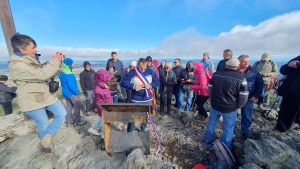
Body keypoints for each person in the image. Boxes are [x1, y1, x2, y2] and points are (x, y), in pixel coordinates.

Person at [8, 33, 67, 153]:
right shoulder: (17, 65)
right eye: (32, 48)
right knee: (43, 123)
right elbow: (42, 75)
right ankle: (46, 145)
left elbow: (50, 72)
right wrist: (53, 61)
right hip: (31, 99)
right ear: (21, 49)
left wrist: (58, 62)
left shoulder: (34, 59)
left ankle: (47, 138)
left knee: (62, 113)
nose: (36, 49)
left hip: (46, 95)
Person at [205, 58, 248, 149]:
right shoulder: (241, 78)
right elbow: (244, 95)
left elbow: (209, 88)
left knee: (211, 123)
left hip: (215, 105)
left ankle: (208, 141)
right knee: (228, 128)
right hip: (230, 108)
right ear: (237, 66)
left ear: (226, 65)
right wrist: (239, 106)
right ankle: (225, 147)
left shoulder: (216, 75)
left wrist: (213, 99)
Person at [121, 58, 160, 132]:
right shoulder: (132, 72)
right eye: (141, 68)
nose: (143, 69)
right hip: (136, 99)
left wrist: (151, 86)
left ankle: (143, 129)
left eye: (145, 68)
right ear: (138, 65)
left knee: (146, 116)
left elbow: (157, 81)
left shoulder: (150, 71)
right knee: (132, 116)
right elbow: (123, 82)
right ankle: (129, 132)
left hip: (148, 98)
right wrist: (134, 86)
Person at [272, 55, 300, 133]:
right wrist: (289, 65)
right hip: (291, 91)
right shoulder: (298, 59)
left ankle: (297, 123)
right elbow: (283, 70)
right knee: (286, 110)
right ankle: (280, 129)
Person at [238, 55, 263, 139]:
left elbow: (260, 84)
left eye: (248, 61)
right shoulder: (233, 70)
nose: (246, 63)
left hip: (249, 97)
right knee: (232, 115)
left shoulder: (254, 71)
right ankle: (230, 130)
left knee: (247, 115)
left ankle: (245, 131)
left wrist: (256, 96)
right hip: (234, 97)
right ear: (239, 61)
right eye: (244, 61)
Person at [59, 58, 87, 127]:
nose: (73, 64)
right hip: (72, 93)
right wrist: (77, 92)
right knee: (77, 105)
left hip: (65, 93)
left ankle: (69, 120)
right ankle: (77, 121)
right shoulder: (69, 74)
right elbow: (72, 86)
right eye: (72, 63)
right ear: (69, 64)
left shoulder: (62, 72)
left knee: (69, 106)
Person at [88, 69, 115, 138]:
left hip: (104, 106)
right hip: (104, 107)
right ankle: (95, 129)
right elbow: (105, 98)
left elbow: (107, 93)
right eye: (107, 78)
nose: (109, 80)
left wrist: (111, 91)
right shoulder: (98, 89)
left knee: (104, 120)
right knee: (104, 119)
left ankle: (102, 133)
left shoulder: (101, 86)